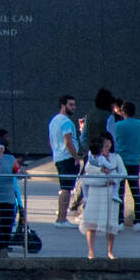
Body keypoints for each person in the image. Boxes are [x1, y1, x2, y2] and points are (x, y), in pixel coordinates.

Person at [48, 94, 82, 222]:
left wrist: (56, 153)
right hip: (67, 158)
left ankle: (61, 218)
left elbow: (50, 141)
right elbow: (68, 141)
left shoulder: (54, 121)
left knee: (64, 188)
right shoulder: (66, 122)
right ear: (63, 106)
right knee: (66, 189)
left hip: (58, 157)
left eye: (74, 104)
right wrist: (76, 157)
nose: (74, 107)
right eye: (71, 105)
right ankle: (61, 219)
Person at [0, 131, 21, 254]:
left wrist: (21, 173)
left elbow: (17, 171)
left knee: (7, 223)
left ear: (0, 149)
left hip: (8, 197)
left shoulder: (10, 159)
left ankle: (4, 246)